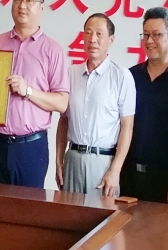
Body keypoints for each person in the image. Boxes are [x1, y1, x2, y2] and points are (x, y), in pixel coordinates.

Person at [0, 0, 69, 189]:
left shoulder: (52, 50)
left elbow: (62, 103)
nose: (22, 5)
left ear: (41, 7)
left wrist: (28, 91)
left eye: (29, 0)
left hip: (31, 147)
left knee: (28, 205)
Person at [56, 13, 135, 196]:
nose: (92, 39)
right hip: (73, 158)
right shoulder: (70, 73)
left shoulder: (121, 76)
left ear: (111, 39)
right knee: (70, 212)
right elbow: (64, 120)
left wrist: (115, 170)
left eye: (99, 34)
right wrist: (59, 160)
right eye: (88, 33)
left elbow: (127, 127)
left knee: (102, 214)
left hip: (103, 162)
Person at [121, 7, 168, 203]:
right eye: (145, 35)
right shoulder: (130, 76)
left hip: (162, 177)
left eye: (156, 35)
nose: (149, 41)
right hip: (127, 174)